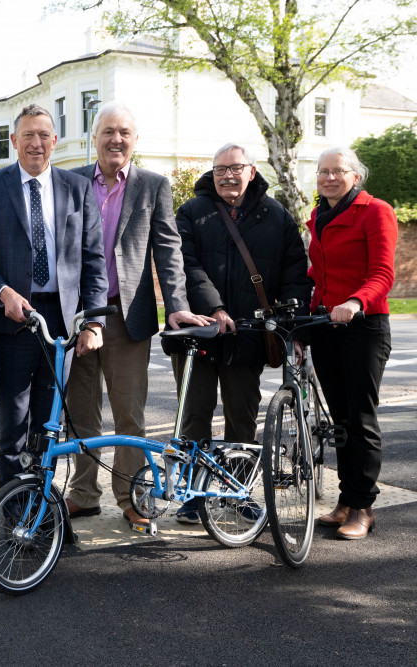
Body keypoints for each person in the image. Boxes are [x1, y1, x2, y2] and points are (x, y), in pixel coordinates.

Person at [63, 102, 212, 528]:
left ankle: (129, 496)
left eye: (125, 132)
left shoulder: (153, 185)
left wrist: (178, 305)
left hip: (129, 318)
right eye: (109, 131)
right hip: (79, 317)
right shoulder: (70, 182)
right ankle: (84, 494)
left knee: (130, 414)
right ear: (95, 138)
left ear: (135, 139)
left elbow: (168, 249)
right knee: (81, 412)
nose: (116, 139)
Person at [171, 143, 311, 522]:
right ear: (212, 174)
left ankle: (238, 491)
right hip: (199, 331)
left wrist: (292, 330)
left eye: (235, 168)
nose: (227, 176)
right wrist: (214, 307)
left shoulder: (276, 215)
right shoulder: (192, 211)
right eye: (220, 170)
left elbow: (296, 274)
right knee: (194, 418)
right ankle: (194, 495)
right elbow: (186, 265)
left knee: (242, 418)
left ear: (252, 171)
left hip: (247, 335)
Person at [0, 103, 107, 490]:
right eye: (28, 135)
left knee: (48, 425)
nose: (36, 143)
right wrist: (3, 293)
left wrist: (94, 321)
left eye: (43, 135)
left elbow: (94, 259)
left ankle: (42, 512)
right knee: (14, 424)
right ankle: (15, 510)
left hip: (62, 322)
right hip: (14, 320)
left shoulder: (77, 187)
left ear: (55, 141)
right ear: (14, 141)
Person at [309, 147, 396, 540]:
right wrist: (304, 328)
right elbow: (318, 277)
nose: (329, 178)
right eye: (323, 172)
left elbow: (382, 272)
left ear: (355, 176)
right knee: (340, 420)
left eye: (338, 171)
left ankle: (363, 505)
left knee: (360, 418)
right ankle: (345, 500)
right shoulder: (317, 216)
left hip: (364, 326)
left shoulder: (375, 211)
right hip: (327, 328)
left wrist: (355, 301)